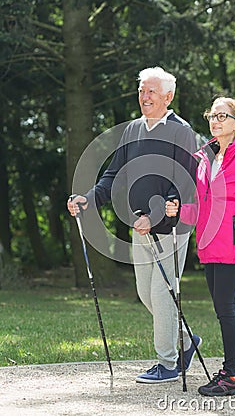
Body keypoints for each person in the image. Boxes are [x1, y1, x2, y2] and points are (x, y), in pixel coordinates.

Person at [67, 66, 202, 383]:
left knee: (162, 295)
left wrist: (154, 217)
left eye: (151, 91)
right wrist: (89, 199)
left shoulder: (181, 131)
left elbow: (184, 182)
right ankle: (185, 339)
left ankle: (168, 364)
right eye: (142, 91)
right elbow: (115, 175)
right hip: (139, 228)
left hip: (170, 229)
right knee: (145, 293)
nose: (145, 96)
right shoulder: (133, 130)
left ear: (168, 96)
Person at [166, 96, 235, 396]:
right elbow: (203, 209)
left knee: (225, 308)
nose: (215, 121)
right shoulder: (204, 159)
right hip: (208, 244)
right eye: (212, 115)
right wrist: (180, 211)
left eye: (222, 116)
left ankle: (230, 377)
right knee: (224, 307)